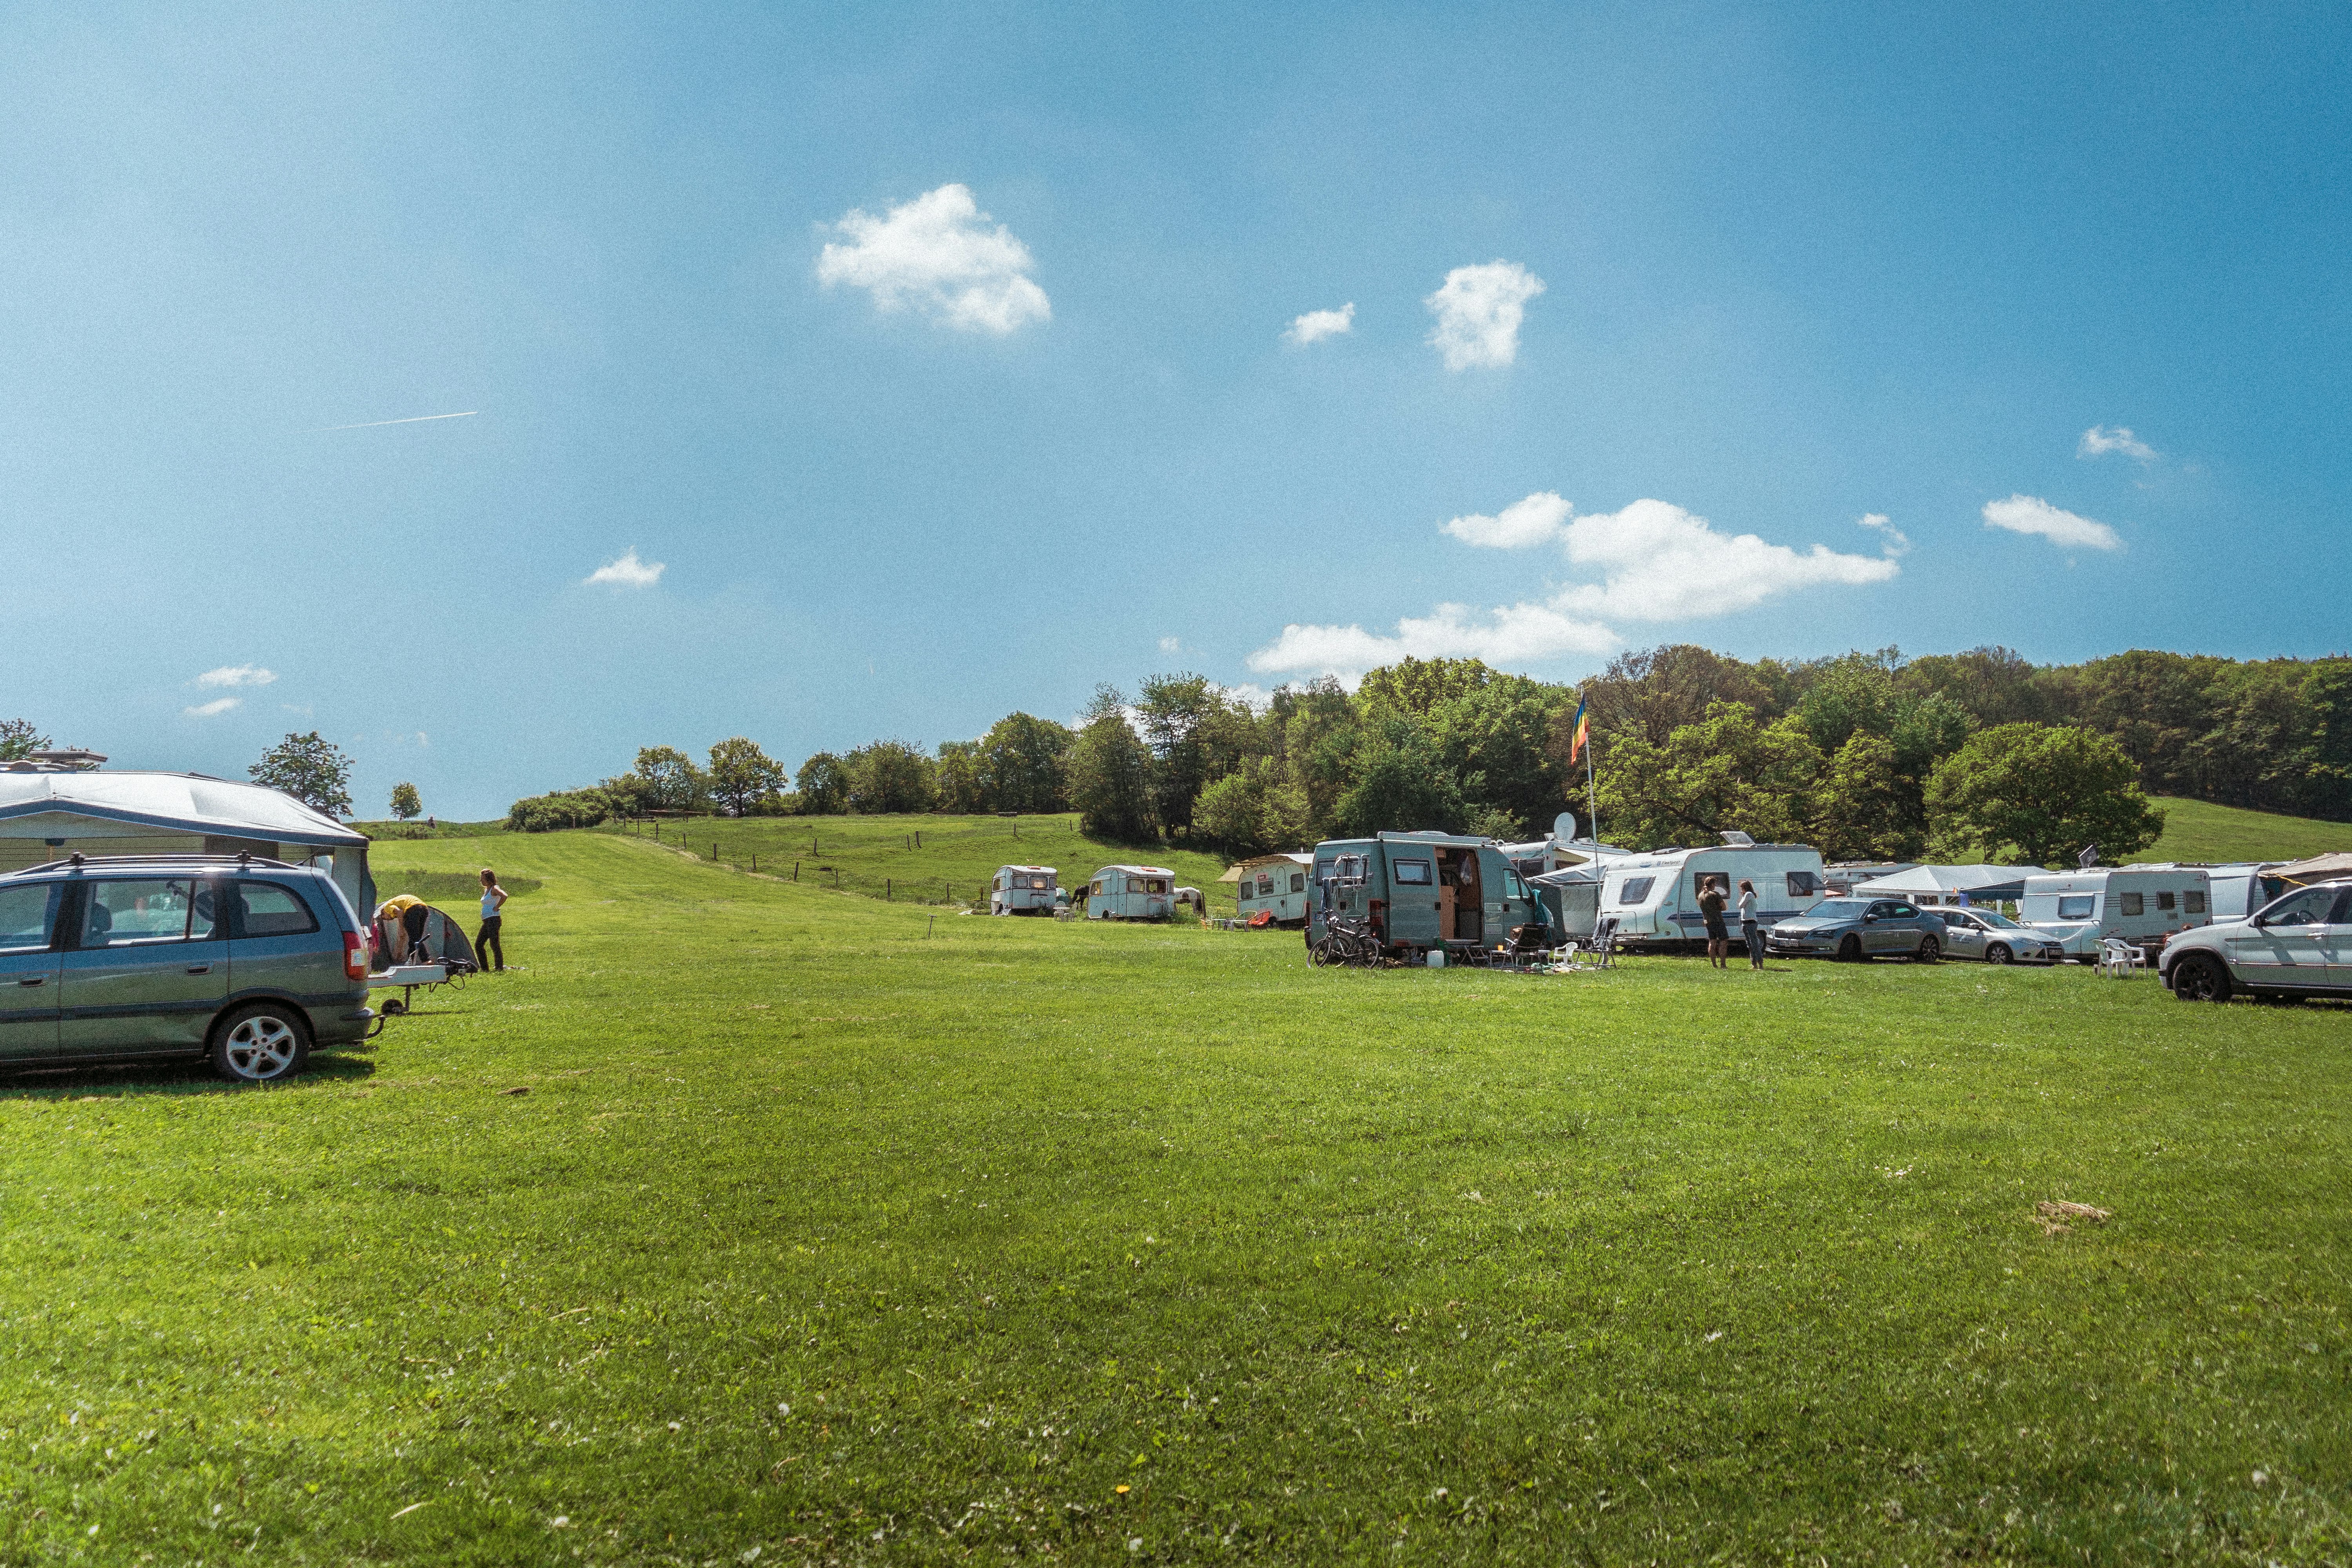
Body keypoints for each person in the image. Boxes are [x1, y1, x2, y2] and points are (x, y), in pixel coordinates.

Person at [476, 868, 508, 972]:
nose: (481, 881)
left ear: (488, 879)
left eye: (483, 879)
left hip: (493, 920)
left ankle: (499, 967)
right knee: (479, 945)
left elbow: (504, 896)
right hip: (487, 921)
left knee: (494, 944)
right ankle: (485, 969)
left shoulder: (494, 888)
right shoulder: (487, 889)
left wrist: (497, 906)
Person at [1699, 878, 1730, 968]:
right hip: (1718, 920)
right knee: (1723, 942)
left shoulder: (1701, 895)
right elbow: (1724, 907)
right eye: (1715, 884)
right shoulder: (1715, 894)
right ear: (1712, 884)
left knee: (1712, 942)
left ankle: (1714, 965)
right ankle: (1723, 964)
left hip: (1708, 921)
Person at [1737, 878, 1765, 970]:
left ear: (1746, 888)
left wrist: (1743, 897)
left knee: (1754, 943)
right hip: (1745, 922)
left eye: (1743, 888)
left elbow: (1741, 905)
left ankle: (1760, 962)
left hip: (1751, 922)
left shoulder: (1749, 894)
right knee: (1749, 944)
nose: (1742, 890)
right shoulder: (1747, 895)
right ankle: (1754, 963)